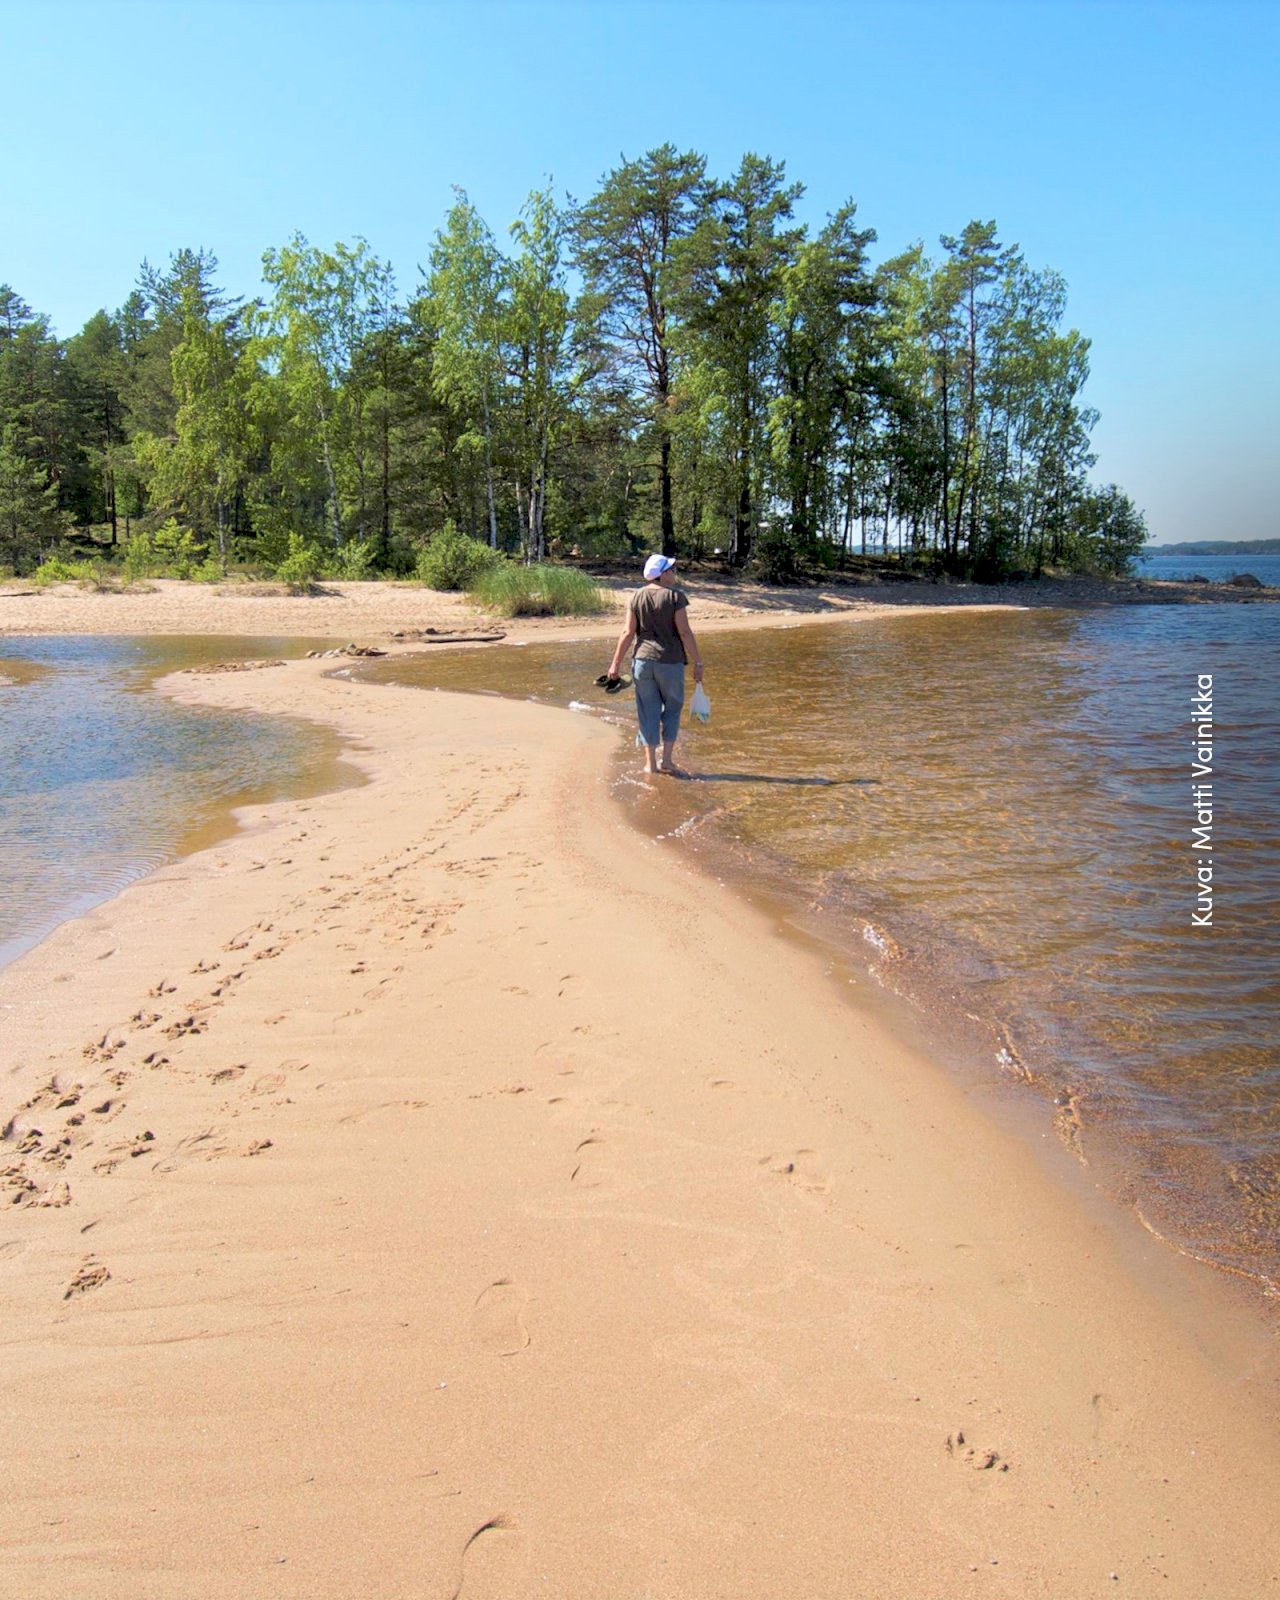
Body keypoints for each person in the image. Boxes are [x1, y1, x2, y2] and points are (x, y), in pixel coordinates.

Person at [605, 553, 705, 777]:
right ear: (662, 575)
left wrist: (615, 665)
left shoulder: (636, 597)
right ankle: (667, 761)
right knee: (672, 708)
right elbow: (685, 632)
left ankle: (650, 764)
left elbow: (628, 632)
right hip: (670, 662)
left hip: (642, 661)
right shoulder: (675, 597)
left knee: (647, 711)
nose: (673, 573)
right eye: (671, 570)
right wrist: (698, 661)